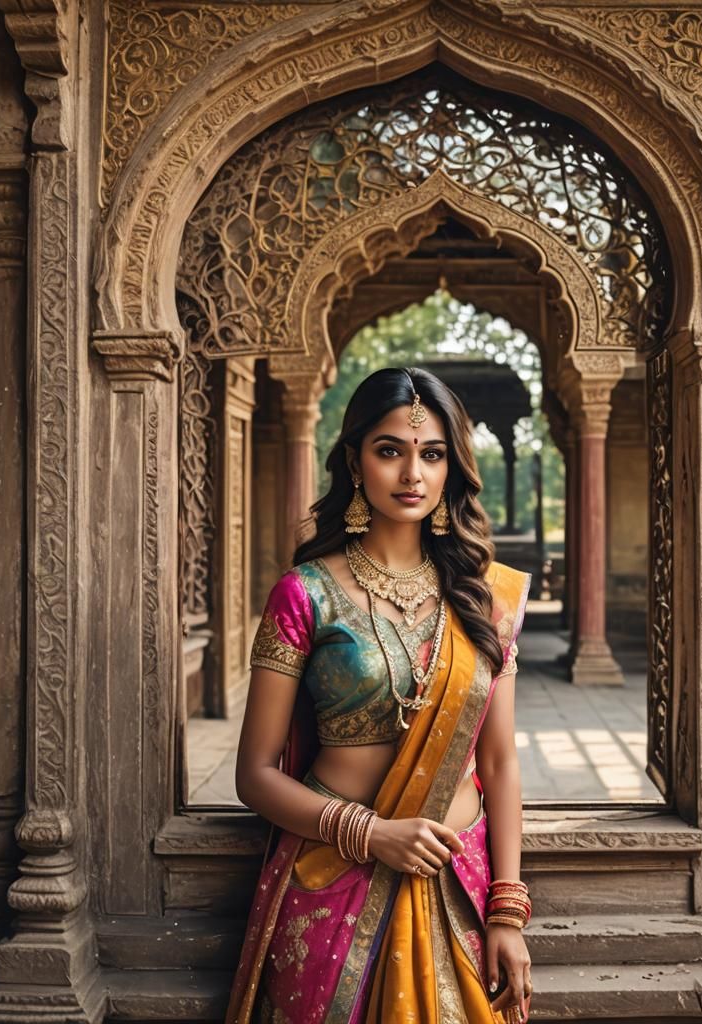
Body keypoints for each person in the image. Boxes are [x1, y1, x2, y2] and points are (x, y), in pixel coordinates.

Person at [225, 367, 533, 1024]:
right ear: (355, 462)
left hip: (457, 885)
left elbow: (500, 763)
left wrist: (507, 911)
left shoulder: (484, 599)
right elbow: (254, 774)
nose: (412, 473)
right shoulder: (304, 594)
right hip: (334, 878)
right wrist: (372, 834)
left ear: (452, 467)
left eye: (433, 454)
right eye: (390, 450)